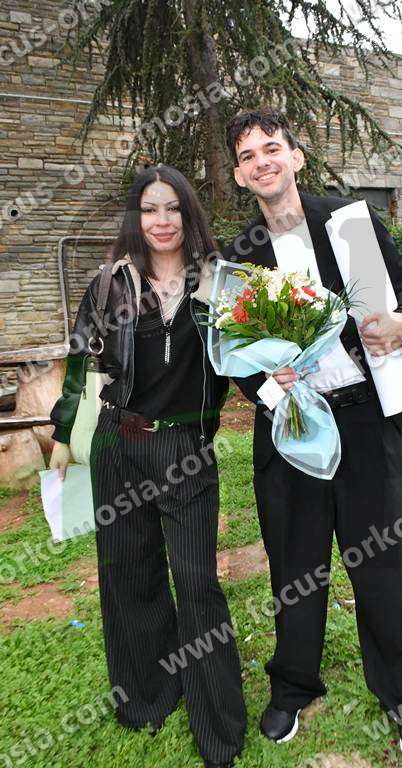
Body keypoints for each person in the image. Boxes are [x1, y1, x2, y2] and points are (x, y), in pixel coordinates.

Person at [222, 108, 402, 764]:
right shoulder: (237, 256)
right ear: (239, 175)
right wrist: (268, 385)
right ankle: (292, 685)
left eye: (272, 148)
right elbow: (231, 353)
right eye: (248, 156)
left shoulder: (349, 222)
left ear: (296, 157)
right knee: (295, 565)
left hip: (367, 420)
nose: (262, 161)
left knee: (383, 563)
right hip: (291, 425)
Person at [48, 165, 246, 768]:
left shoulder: (219, 281)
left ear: (189, 213)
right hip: (118, 441)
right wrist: (64, 434)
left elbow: (248, 356)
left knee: (196, 581)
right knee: (129, 573)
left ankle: (218, 725)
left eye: (173, 208)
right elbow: (82, 360)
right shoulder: (110, 283)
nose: (162, 221)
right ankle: (148, 697)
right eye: (150, 209)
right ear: (136, 217)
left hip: (184, 447)